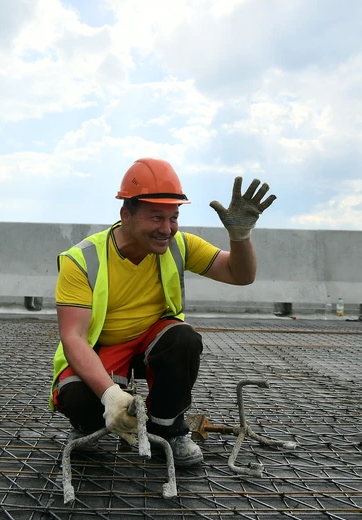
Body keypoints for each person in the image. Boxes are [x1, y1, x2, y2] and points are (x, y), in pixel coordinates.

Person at [50, 158, 276, 466]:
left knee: (183, 340)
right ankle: (88, 426)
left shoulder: (177, 244)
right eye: (156, 217)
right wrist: (110, 396)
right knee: (78, 398)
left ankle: (167, 429)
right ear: (125, 215)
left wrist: (240, 236)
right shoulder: (82, 260)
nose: (166, 229)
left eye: (173, 217)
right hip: (102, 347)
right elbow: (73, 337)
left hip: (151, 343)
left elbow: (240, 274)